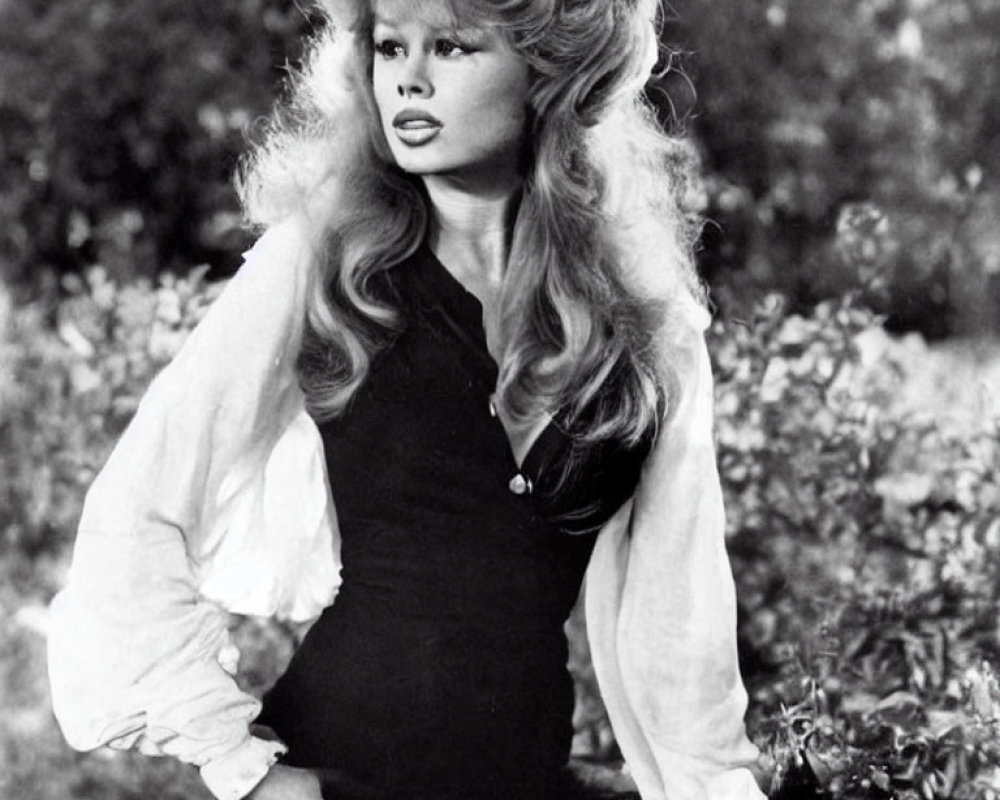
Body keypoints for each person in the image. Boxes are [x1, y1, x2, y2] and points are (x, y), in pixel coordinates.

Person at [48, 1, 765, 799]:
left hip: (521, 778)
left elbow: (684, 625)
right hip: (335, 769)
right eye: (391, 45)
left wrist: (712, 783)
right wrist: (242, 768)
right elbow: (135, 509)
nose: (408, 81)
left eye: (451, 46)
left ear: (548, 72)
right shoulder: (322, 263)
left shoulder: (646, 324)